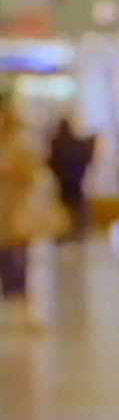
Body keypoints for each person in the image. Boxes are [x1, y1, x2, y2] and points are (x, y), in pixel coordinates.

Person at [0, 108, 41, 330]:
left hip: (15, 214)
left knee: (18, 261)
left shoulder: (20, 147)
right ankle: (11, 308)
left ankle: (20, 310)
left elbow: (32, 174)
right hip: (5, 216)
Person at [46, 117, 96, 242]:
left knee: (71, 211)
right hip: (71, 185)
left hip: (66, 185)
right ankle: (73, 234)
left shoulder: (57, 143)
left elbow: (51, 163)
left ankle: (71, 234)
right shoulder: (70, 144)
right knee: (73, 211)